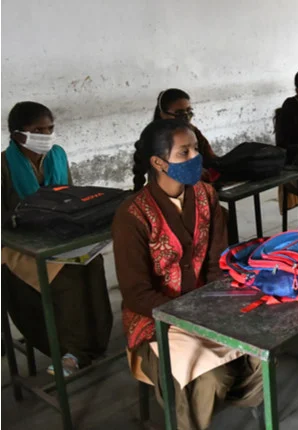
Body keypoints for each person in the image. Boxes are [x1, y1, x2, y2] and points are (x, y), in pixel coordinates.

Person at [115, 119, 263, 430]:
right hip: (155, 316)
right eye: (184, 152)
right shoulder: (133, 215)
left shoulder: (206, 195)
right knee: (209, 376)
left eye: (195, 149)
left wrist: (216, 304)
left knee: (260, 349)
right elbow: (136, 293)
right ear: (159, 163)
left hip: (204, 301)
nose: (196, 157)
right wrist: (187, 315)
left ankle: (233, 397)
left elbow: (216, 263)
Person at [1, 102, 113, 377]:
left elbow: (70, 197)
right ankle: (72, 351)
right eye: (38, 130)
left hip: (59, 236)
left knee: (93, 263)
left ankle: (95, 342)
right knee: (65, 276)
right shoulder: (3, 165)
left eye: (49, 128)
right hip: (20, 246)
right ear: (17, 134)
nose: (46, 135)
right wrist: (23, 217)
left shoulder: (58, 155)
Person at [152, 89, 219, 180]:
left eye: (189, 111)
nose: (186, 117)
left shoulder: (192, 131)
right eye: (179, 113)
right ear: (163, 115)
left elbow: (211, 159)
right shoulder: (156, 140)